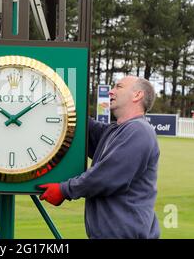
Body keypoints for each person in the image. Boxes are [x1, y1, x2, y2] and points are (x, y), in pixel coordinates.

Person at [38, 76, 160, 239]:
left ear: (137, 95)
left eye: (119, 87)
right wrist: (58, 98)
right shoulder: (115, 132)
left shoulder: (139, 130)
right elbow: (84, 126)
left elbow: (107, 176)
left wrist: (64, 190)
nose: (111, 91)